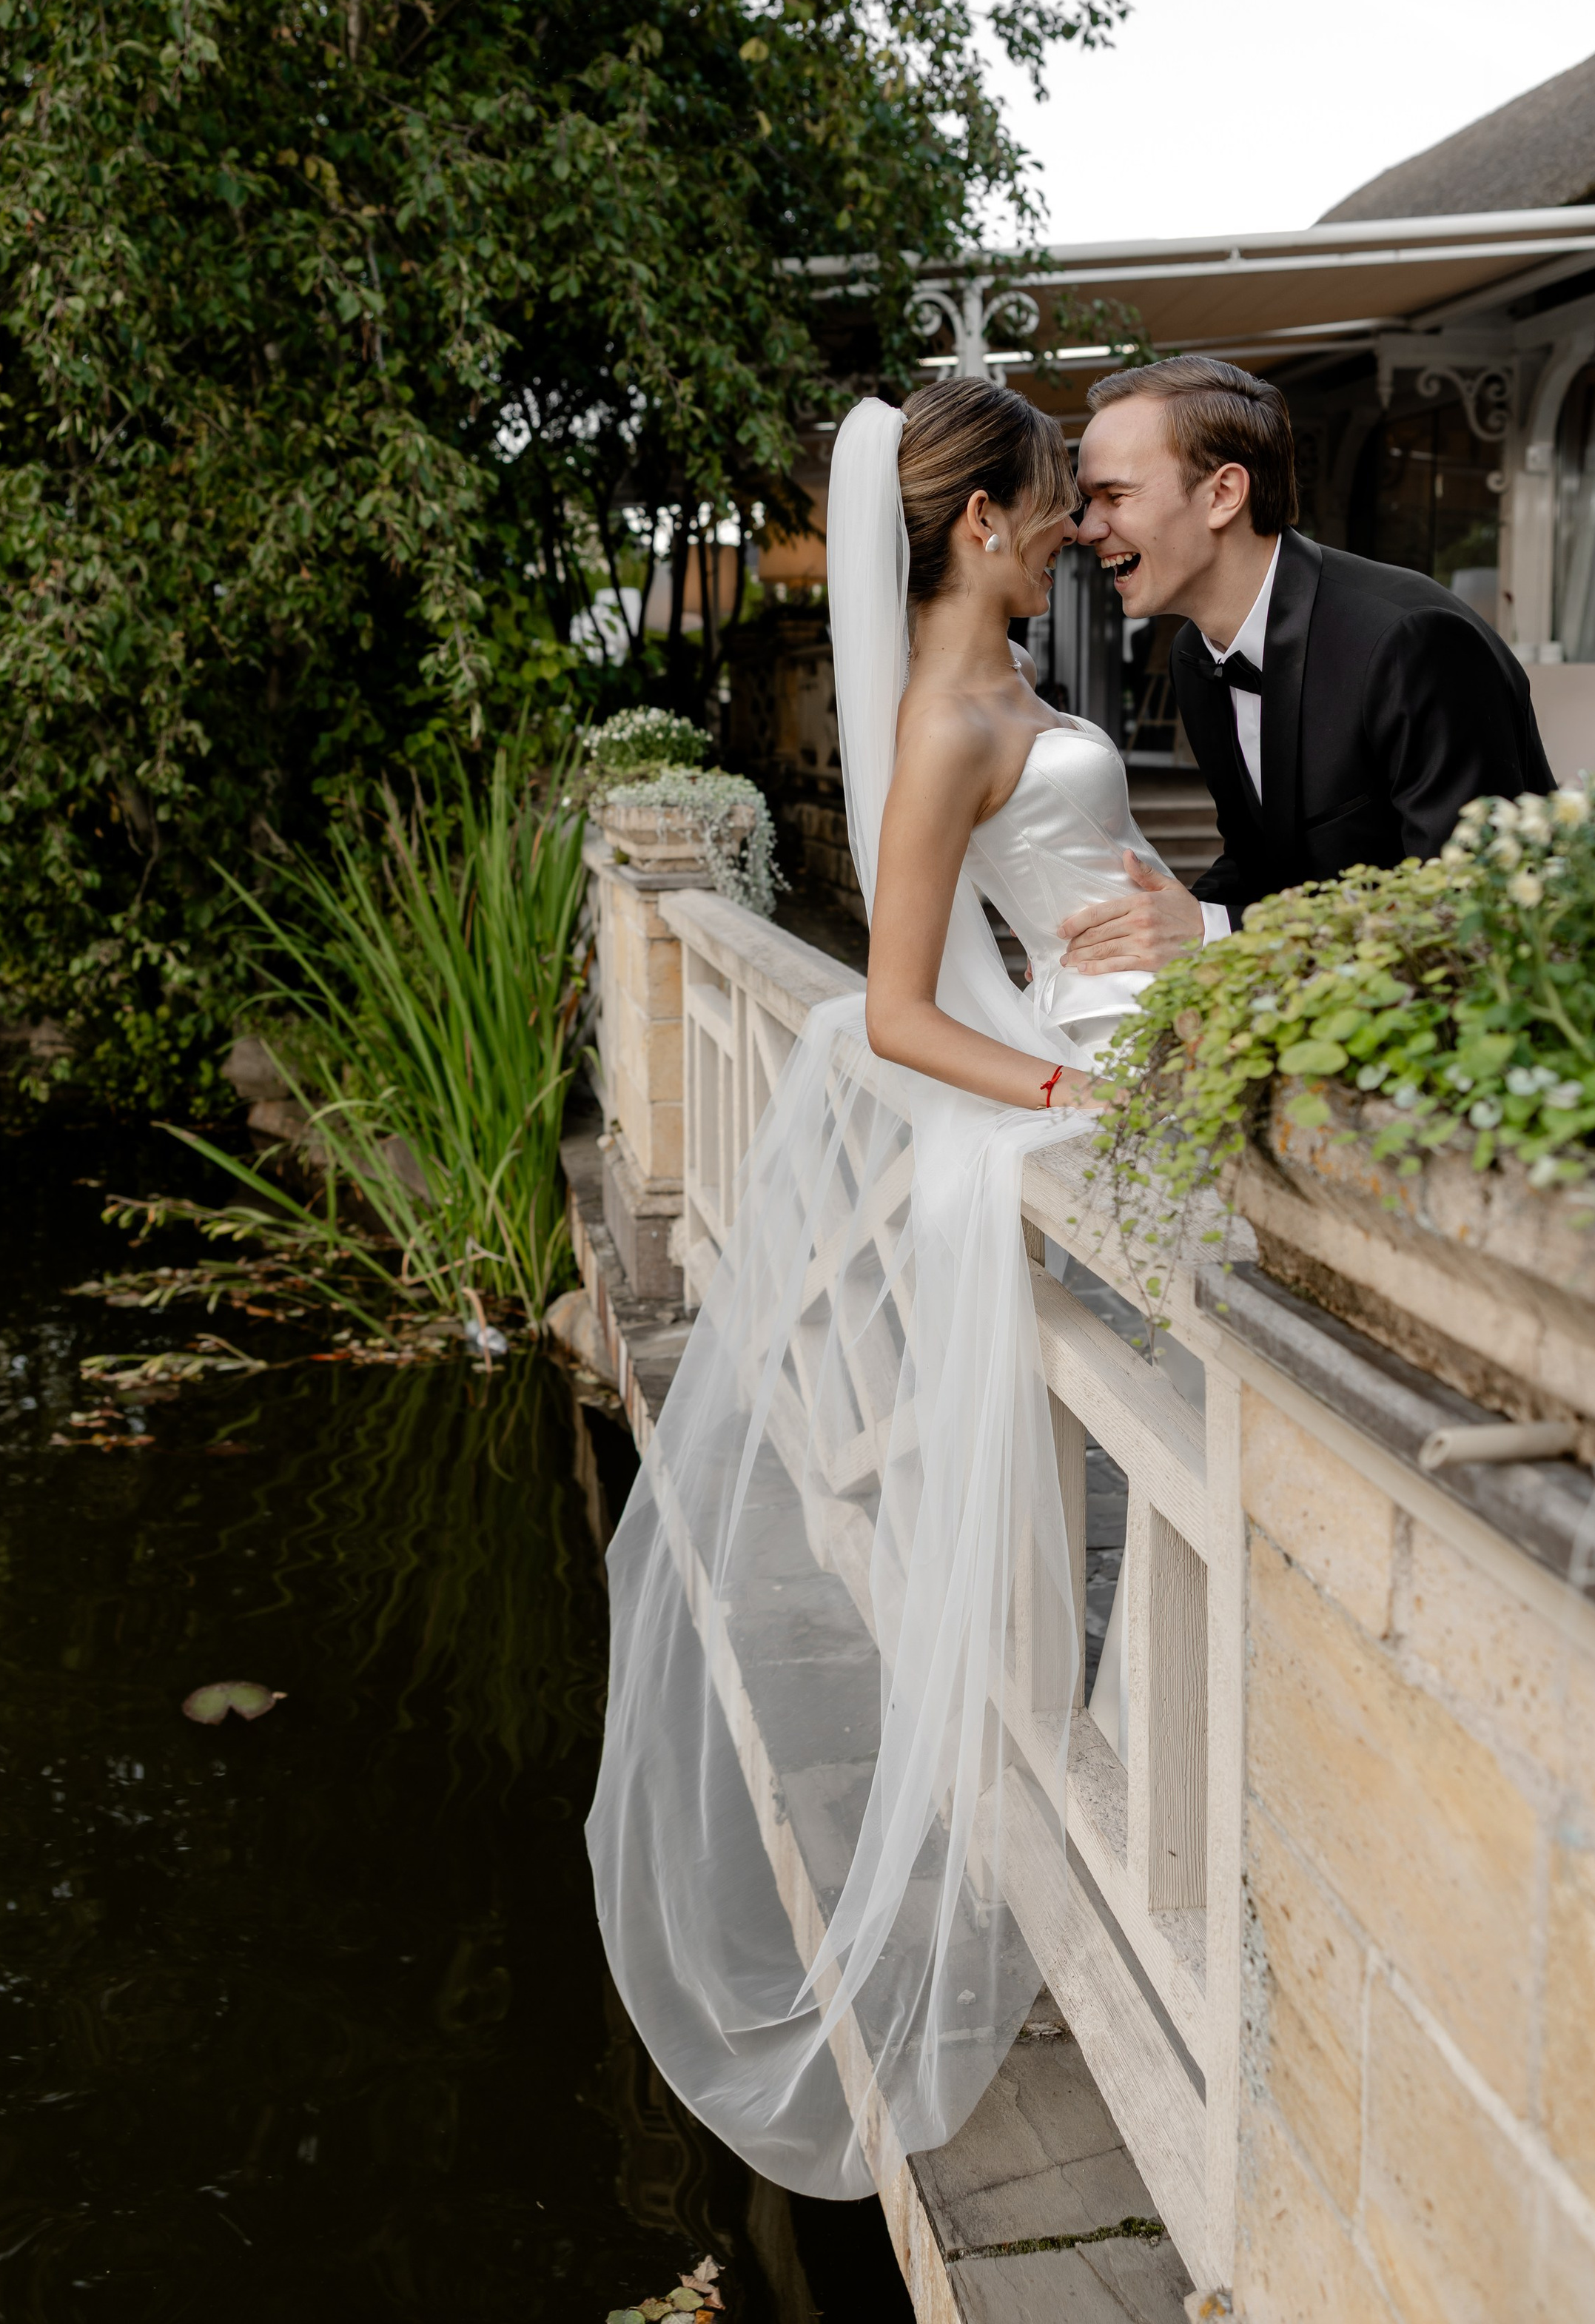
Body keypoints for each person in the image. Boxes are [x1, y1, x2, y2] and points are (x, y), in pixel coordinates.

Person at [585, 379, 1186, 2200]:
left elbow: (1089, 875)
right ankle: (1127, 1785)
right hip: (1076, 1083)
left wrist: (1179, 931)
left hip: (1142, 1020)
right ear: (975, 525)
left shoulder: (1004, 684)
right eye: (1042, 503)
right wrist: (1077, 1094)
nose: (1070, 530)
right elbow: (903, 1008)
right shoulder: (943, 718)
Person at [1058, 352, 1554, 982]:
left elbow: (1465, 905)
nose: (1085, 528)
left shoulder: (1411, 642)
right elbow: (1263, 863)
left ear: (1223, 494)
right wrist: (1138, 929)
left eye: (1113, 496)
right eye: (1086, 500)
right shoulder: (1194, 655)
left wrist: (1215, 931)